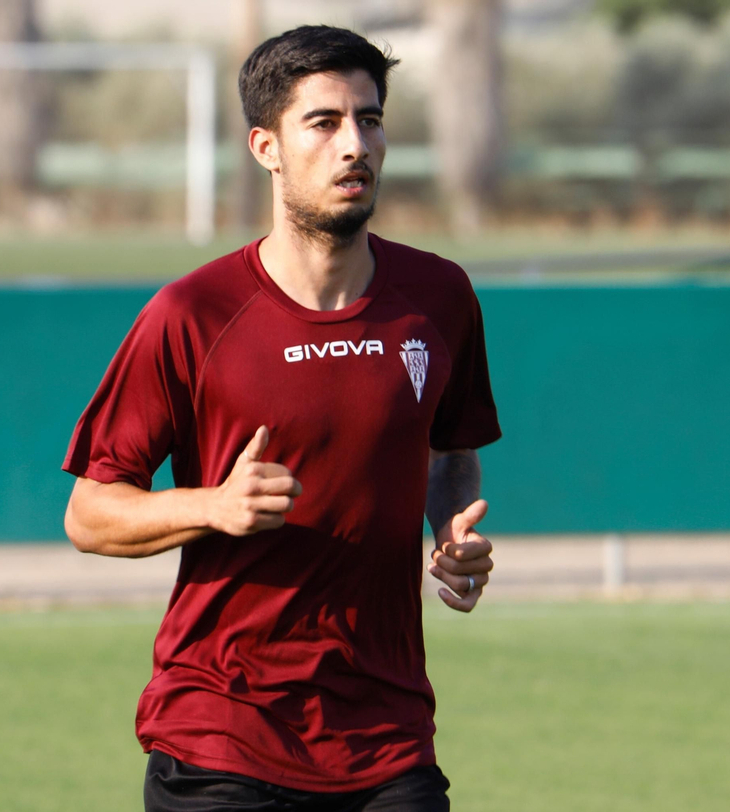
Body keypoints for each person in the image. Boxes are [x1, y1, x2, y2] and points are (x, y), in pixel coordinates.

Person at [62, 24, 500, 812]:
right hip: (222, 732)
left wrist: (452, 539)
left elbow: (449, 453)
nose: (353, 146)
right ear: (266, 146)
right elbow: (91, 515)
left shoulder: (439, 299)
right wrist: (213, 507)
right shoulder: (191, 314)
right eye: (324, 122)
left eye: (368, 119)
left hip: (388, 735)